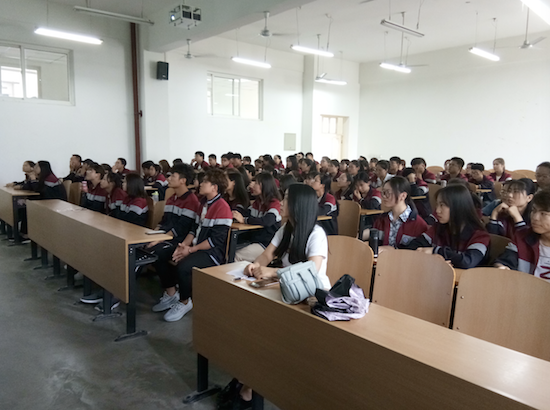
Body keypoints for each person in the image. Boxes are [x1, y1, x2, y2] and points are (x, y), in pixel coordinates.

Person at [219, 184, 330, 409]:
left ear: (299, 205)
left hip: (310, 300)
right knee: (248, 323)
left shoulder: (316, 234)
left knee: (264, 334)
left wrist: (273, 273)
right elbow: (266, 255)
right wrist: (254, 266)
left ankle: (248, 388)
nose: (282, 203)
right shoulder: (286, 229)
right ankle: (243, 377)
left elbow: (311, 270)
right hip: (287, 292)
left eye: (287, 199)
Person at [154, 168, 232, 322]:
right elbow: (193, 230)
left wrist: (190, 250)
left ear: (214, 187)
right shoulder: (203, 204)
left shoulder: (222, 207)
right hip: (195, 247)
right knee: (161, 254)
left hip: (212, 253)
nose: (200, 184)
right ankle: (171, 294)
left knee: (183, 266)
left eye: (205, 182)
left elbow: (215, 241)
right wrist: (183, 246)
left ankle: (185, 301)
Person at [409, 184, 490, 269]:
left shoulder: (480, 235)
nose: (437, 211)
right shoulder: (438, 227)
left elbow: (468, 261)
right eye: (437, 205)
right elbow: (413, 246)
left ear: (458, 207)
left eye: (442, 205)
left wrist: (436, 251)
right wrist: (435, 258)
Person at [494, 190, 550, 282]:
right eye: (533, 211)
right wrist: (501, 267)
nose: (535, 218)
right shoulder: (523, 236)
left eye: (543, 214)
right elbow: (506, 261)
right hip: (523, 289)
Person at [233, 172, 282, 262]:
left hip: (267, 244)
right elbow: (246, 213)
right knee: (229, 248)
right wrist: (235, 213)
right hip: (255, 239)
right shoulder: (258, 202)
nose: (252, 185)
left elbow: (267, 221)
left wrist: (244, 220)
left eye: (256, 183)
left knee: (236, 255)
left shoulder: (274, 203)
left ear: (264, 186)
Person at [372, 176, 428, 247]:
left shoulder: (418, 224)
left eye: (387, 193)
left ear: (403, 196)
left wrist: (394, 250)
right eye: (383, 192)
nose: (383, 196)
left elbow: (417, 251)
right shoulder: (381, 219)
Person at [304, 171, 339, 235]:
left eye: (315, 180)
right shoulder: (313, 196)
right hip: (316, 228)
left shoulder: (330, 198)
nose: (312, 182)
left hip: (328, 230)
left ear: (322, 185)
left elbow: (322, 211)